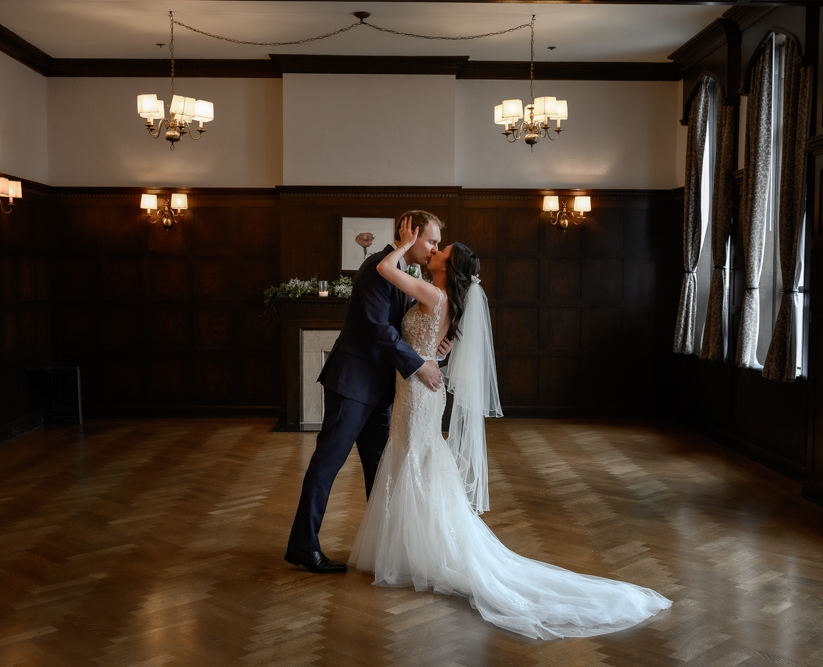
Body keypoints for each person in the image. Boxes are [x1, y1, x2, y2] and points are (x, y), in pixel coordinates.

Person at [348, 217, 672, 639]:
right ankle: (413, 550)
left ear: (449, 268)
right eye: (434, 244)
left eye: (440, 250)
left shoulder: (432, 292)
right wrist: (437, 354)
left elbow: (386, 270)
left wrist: (404, 242)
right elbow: (430, 347)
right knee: (417, 460)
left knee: (414, 459)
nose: (433, 251)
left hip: (419, 396)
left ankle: (419, 553)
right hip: (421, 389)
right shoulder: (442, 296)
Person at [286, 211, 451, 574]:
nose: (434, 249)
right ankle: (303, 545)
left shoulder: (406, 274)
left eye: (438, 243)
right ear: (409, 234)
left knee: (381, 470)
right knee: (327, 462)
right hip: (353, 383)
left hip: (380, 390)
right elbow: (380, 330)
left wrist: (434, 347)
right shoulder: (377, 267)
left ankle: (386, 547)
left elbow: (405, 328)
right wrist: (418, 364)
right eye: (431, 241)